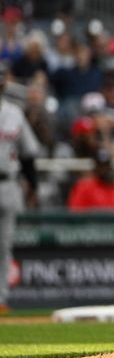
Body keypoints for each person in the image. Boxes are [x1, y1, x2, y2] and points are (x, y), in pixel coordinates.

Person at [0, 63, 41, 314]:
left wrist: (33, 185)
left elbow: (28, 154)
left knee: (3, 246)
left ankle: (0, 299)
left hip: (7, 183)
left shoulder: (14, 113)